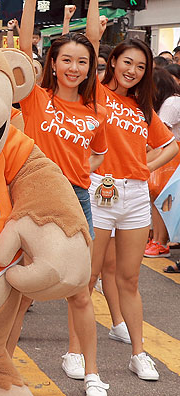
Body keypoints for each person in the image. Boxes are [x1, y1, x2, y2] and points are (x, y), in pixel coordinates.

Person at [14, 0, 110, 396]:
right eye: (66, 60)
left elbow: (95, 156)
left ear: (91, 69)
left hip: (77, 199)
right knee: (15, 288)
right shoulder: (36, 99)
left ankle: (92, 373)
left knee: (80, 290)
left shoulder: (95, 113)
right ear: (52, 64)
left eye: (82, 62)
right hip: (32, 197)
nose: (74, 67)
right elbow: (22, 46)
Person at [88, 28, 178, 382]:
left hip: (136, 195)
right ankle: (79, 354)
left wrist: (145, 167)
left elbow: (170, 145)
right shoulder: (94, 93)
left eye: (141, 66)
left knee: (129, 276)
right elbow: (91, 39)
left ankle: (138, 353)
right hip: (99, 189)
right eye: (127, 62)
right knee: (90, 275)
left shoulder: (141, 108)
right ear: (112, 62)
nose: (133, 71)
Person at [146, 68, 180, 258]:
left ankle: (161, 242)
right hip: (169, 154)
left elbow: (160, 135)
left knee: (163, 199)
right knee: (159, 198)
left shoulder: (171, 102)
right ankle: (157, 240)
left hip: (172, 155)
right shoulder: (169, 101)